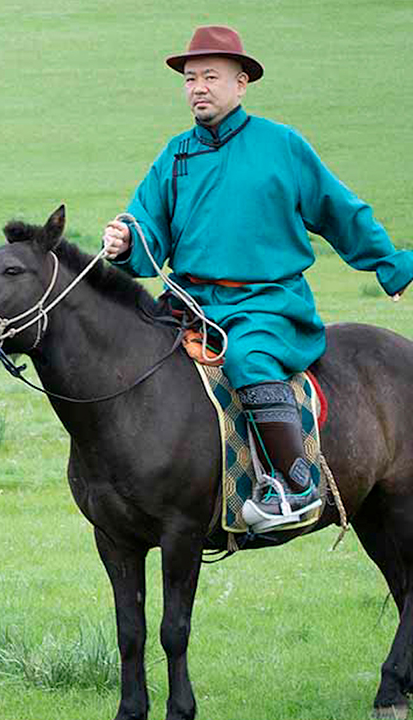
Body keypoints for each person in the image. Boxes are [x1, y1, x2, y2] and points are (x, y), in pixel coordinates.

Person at [101, 25, 412, 531]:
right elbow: (147, 224)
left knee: (247, 357)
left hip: (268, 304)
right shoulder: (176, 155)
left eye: (210, 77)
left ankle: (295, 484)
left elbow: (338, 209)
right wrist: (127, 241)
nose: (198, 88)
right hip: (191, 303)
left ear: (241, 83)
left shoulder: (281, 145)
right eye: (190, 79)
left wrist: (390, 263)